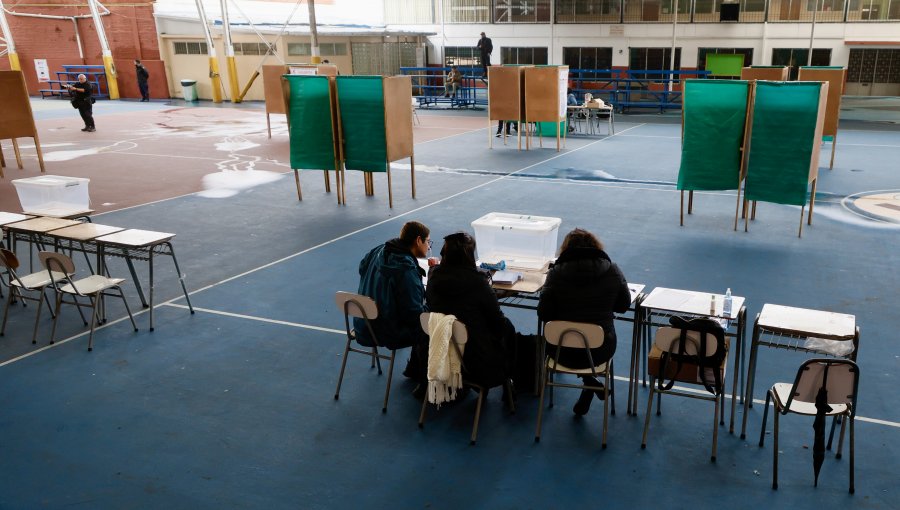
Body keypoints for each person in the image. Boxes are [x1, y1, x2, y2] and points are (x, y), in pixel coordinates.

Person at [537, 228, 630, 416]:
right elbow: (623, 306)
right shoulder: (612, 270)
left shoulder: (555, 274)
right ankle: (590, 383)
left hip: (560, 350)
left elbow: (544, 313)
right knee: (587, 342)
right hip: (600, 350)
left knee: (574, 338)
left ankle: (590, 384)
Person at [423, 232, 517, 393]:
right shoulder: (478, 282)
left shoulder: (433, 276)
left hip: (439, 352)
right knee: (507, 326)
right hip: (474, 360)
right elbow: (498, 323)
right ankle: (509, 379)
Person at [355, 221, 432, 379]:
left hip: (364, 324)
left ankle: (414, 369)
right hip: (387, 330)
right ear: (418, 240)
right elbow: (413, 315)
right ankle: (424, 379)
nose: (429, 246)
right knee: (434, 326)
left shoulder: (378, 250)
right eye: (428, 242)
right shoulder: (406, 270)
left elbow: (362, 268)